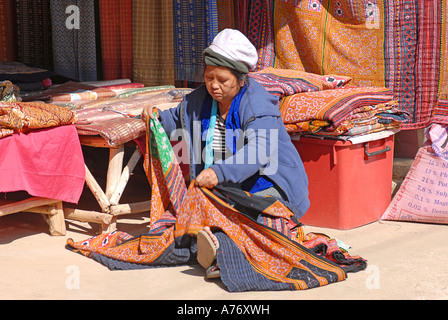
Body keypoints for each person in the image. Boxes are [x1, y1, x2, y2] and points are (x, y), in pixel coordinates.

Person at [142, 29, 309, 278]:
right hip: (225, 187)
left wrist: (218, 172)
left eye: (223, 80)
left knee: (249, 221)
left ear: (241, 80)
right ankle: (219, 247)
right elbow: (175, 120)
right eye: (209, 77)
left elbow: (258, 151)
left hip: (268, 183)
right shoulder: (198, 101)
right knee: (188, 226)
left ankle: (224, 251)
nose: (214, 86)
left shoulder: (258, 104)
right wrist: (153, 116)